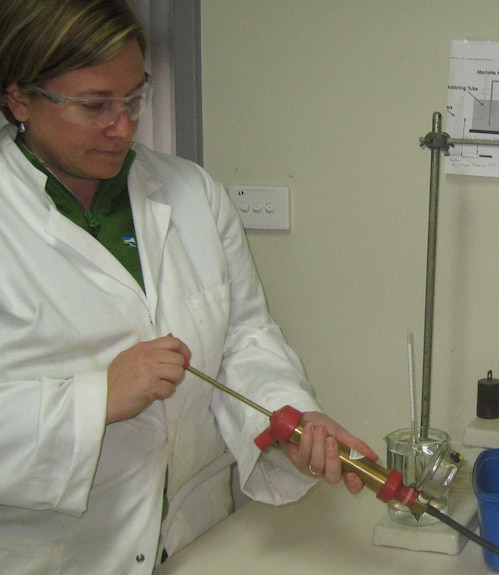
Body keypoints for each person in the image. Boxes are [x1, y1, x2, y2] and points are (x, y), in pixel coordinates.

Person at [0, 0, 377, 572]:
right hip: (54, 552)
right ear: (20, 97)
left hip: (197, 540)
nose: (123, 126)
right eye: (94, 105)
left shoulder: (191, 192)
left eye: (133, 97)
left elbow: (244, 338)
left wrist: (290, 419)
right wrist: (95, 400)